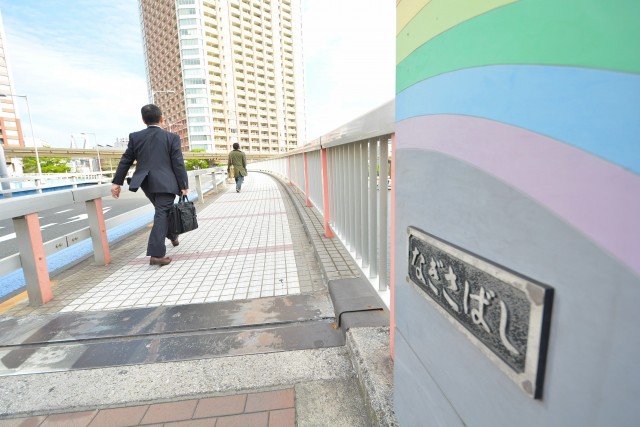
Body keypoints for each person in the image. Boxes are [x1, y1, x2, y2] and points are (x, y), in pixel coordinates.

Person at [111, 104, 189, 266]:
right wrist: (184, 184)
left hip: (146, 183)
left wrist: (117, 182)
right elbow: (178, 163)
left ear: (143, 120)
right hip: (166, 183)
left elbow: (126, 160)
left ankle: (172, 236)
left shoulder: (135, 137)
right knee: (162, 212)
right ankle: (156, 254)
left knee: (163, 212)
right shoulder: (171, 137)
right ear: (161, 119)